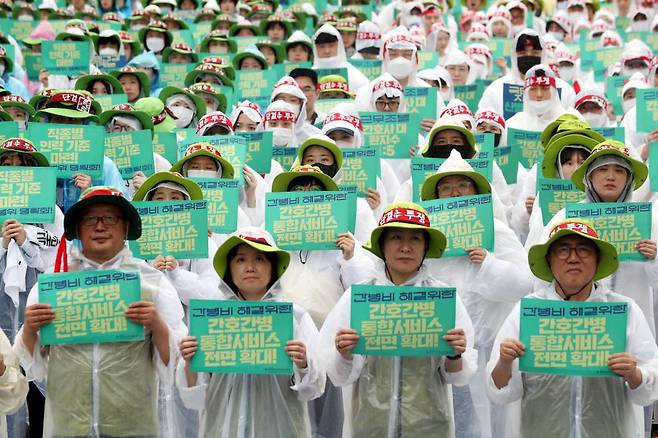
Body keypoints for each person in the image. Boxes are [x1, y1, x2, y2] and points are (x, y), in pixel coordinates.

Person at [14, 186, 186, 437]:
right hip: (68, 425)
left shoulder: (152, 283)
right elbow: (29, 367)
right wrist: (30, 329)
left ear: (126, 227)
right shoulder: (54, 284)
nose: (100, 226)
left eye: (109, 218)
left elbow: (179, 365)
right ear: (77, 229)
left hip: (132, 427)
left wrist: (156, 325)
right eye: (90, 219)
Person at [319, 201, 477, 437]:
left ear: (425, 247)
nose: (405, 247)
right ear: (382, 245)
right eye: (396, 238)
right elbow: (337, 374)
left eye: (415, 239)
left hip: (430, 426)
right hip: (369, 426)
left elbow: (458, 376)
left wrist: (455, 354)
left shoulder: (442, 298)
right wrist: (343, 353)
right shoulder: (360, 297)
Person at [488, 218, 658, 437]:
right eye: (563, 250)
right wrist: (505, 361)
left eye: (584, 250)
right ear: (549, 261)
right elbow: (499, 391)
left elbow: (651, 381)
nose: (573, 258)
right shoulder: (527, 311)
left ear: (598, 260)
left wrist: (634, 374)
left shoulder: (624, 310)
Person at [176, 227, 326, 437]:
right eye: (240, 260)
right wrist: (190, 362)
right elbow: (195, 397)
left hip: (280, 428)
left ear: (273, 267)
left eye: (260, 259)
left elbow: (313, 388)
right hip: (222, 427)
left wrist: (304, 363)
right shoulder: (212, 318)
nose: (250, 267)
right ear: (228, 269)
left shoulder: (295, 317)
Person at [526, 140, 658, 338]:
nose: (611, 177)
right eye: (603, 169)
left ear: (629, 179)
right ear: (590, 176)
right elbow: (543, 275)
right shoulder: (566, 217)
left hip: (635, 323)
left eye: (620, 171)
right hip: (580, 326)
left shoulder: (648, 220)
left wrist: (655, 258)